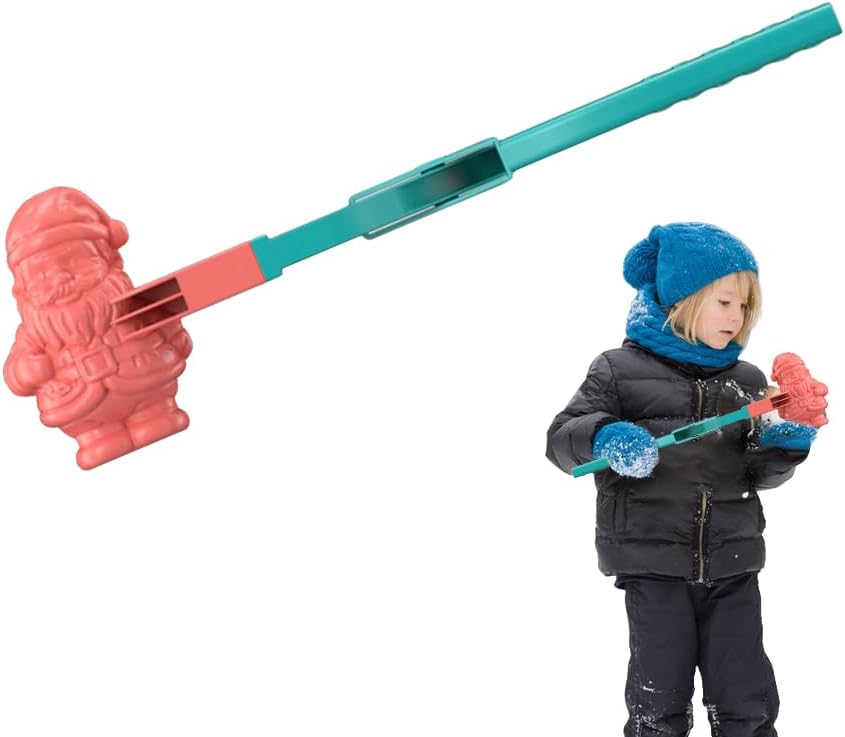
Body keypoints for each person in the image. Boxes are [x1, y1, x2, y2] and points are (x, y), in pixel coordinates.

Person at [545, 222, 822, 737]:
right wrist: (605, 437)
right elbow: (562, 438)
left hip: (733, 562)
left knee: (747, 698)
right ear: (681, 301)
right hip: (653, 566)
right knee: (660, 700)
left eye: (745, 305)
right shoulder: (618, 370)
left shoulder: (746, 382)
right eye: (724, 302)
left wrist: (787, 442)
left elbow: (758, 474)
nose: (736, 316)